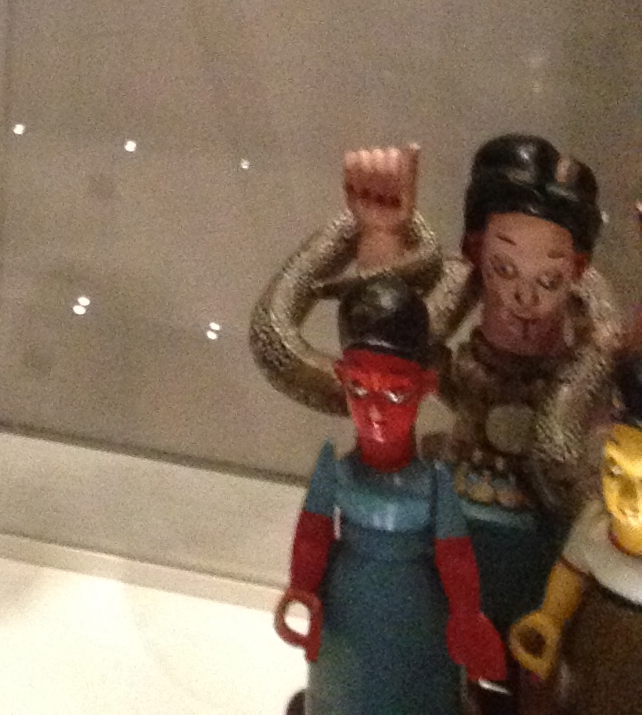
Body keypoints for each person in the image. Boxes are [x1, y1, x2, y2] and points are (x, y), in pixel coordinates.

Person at [253, 137, 618, 660]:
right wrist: (380, 233)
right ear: (475, 252)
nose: (525, 297)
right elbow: (383, 344)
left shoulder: (593, 360)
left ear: (577, 270)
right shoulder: (438, 364)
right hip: (448, 542)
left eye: (550, 278)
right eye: (504, 268)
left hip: (551, 553)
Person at [276, 274, 507, 714]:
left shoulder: (435, 481)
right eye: (358, 388)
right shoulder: (335, 470)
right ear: (341, 378)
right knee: (343, 690)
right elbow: (313, 534)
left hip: (418, 608)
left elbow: (455, 554)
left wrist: (465, 613)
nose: (375, 411)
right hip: (346, 604)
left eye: (396, 392)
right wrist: (302, 586)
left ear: (425, 387)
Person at [511, 354, 642, 705]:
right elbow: (570, 574)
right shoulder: (595, 528)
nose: (627, 498)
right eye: (615, 470)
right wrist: (550, 619)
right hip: (592, 654)